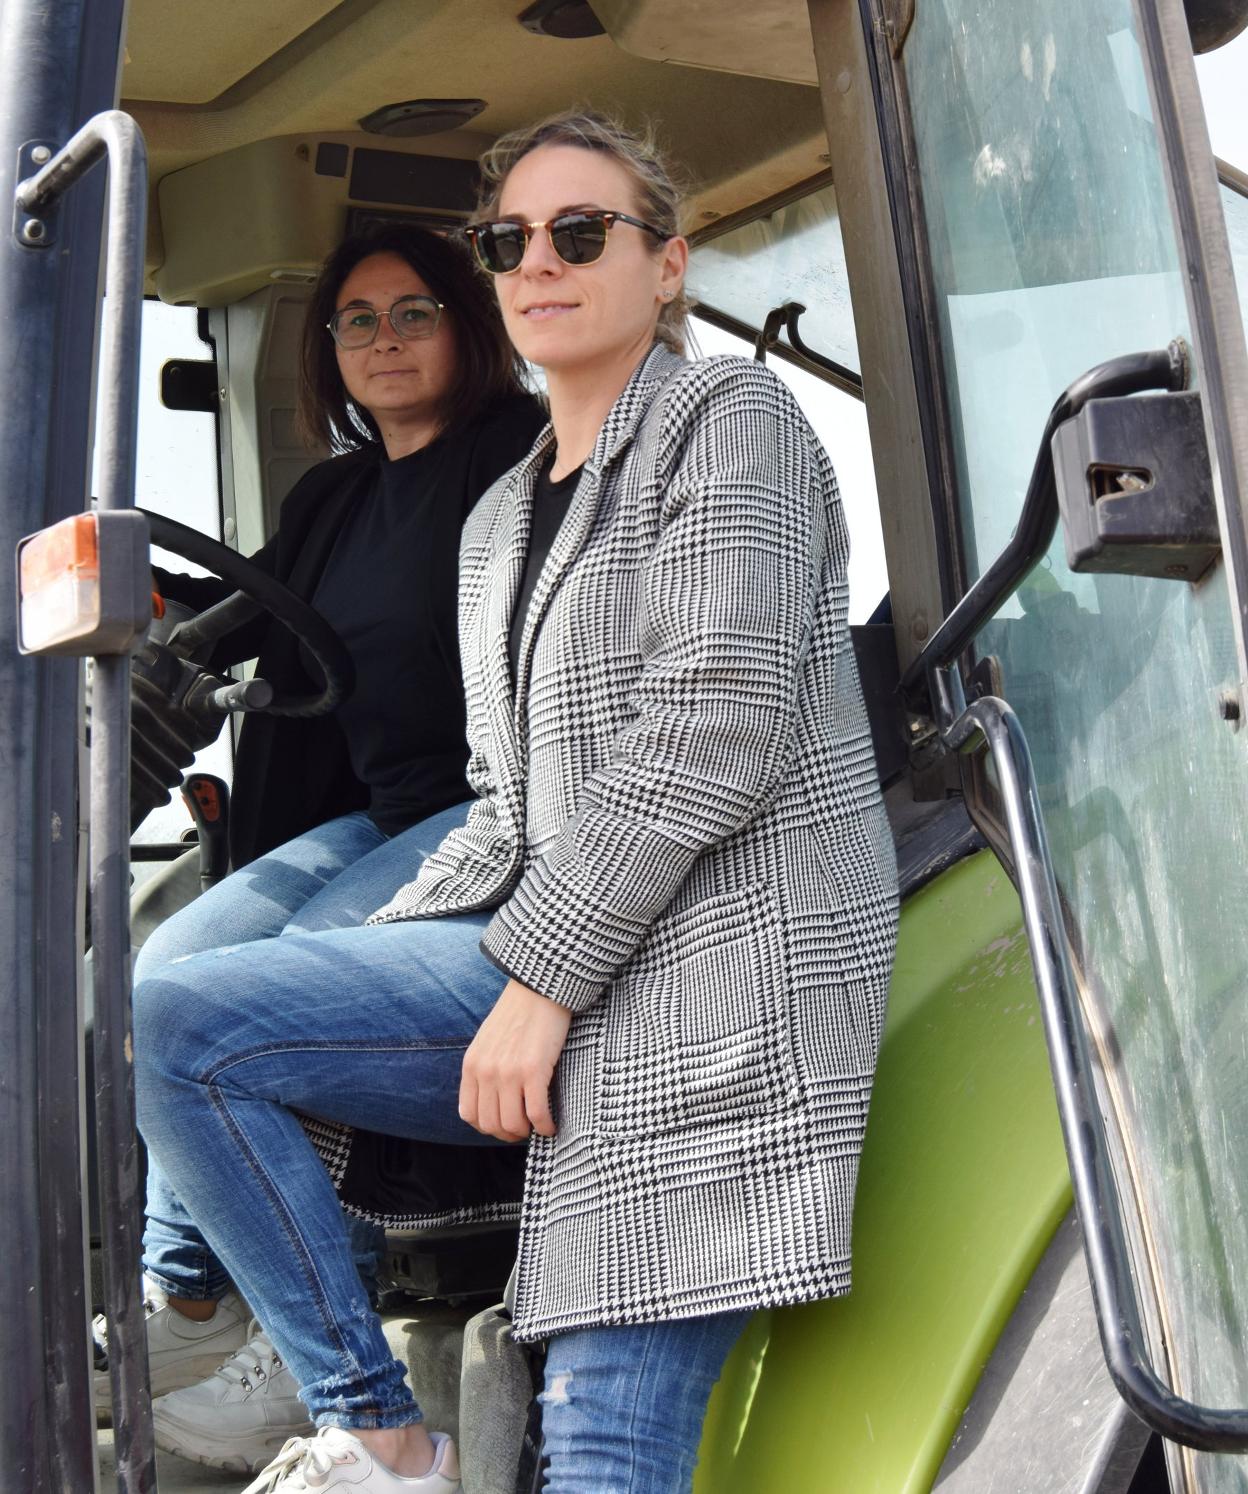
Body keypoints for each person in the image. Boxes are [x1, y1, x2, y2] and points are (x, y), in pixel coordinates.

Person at [132, 111, 899, 1494]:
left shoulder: (731, 426)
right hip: (571, 960)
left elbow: (712, 724)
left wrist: (532, 980)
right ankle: (382, 1434)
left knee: (602, 1429)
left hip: (712, 979)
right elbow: (503, 803)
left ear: (665, 265)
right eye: (511, 240)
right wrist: (381, 962)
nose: (539, 259)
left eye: (580, 232)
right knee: (193, 1013)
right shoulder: (504, 519)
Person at [113, 223, 544, 1460]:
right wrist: (145, 611)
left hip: (494, 806)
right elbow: (245, 609)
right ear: (329, 352)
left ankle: (317, 1364)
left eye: (413, 312)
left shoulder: (509, 457)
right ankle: (188, 1294)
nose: (385, 340)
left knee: (277, 985)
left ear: (467, 325)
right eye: (358, 321)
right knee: (168, 967)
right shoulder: (333, 496)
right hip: (383, 815)